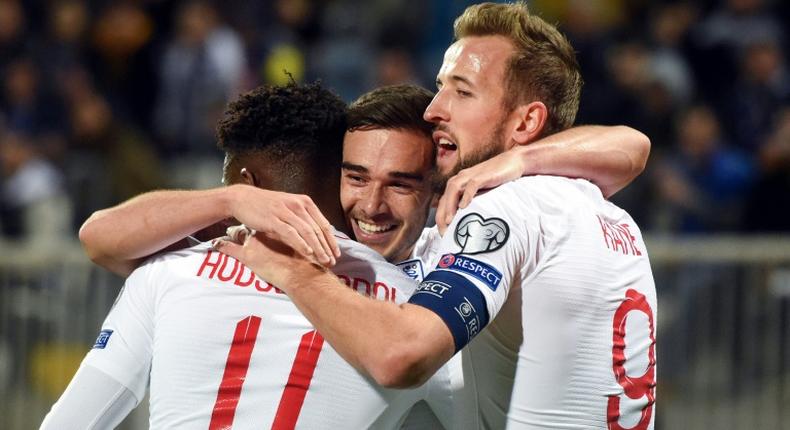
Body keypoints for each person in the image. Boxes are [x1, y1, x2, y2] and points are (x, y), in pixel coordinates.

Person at [216, 3, 658, 429]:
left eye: (462, 92)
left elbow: (401, 355)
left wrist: (294, 273)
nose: (435, 109)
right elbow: (634, 146)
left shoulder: (502, 207)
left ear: (526, 124)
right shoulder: (609, 214)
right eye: (442, 85)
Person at [41, 82, 459, 429]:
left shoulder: (167, 272)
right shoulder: (419, 316)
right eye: (359, 179)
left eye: (400, 185)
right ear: (339, 177)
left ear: (246, 182)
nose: (371, 205)